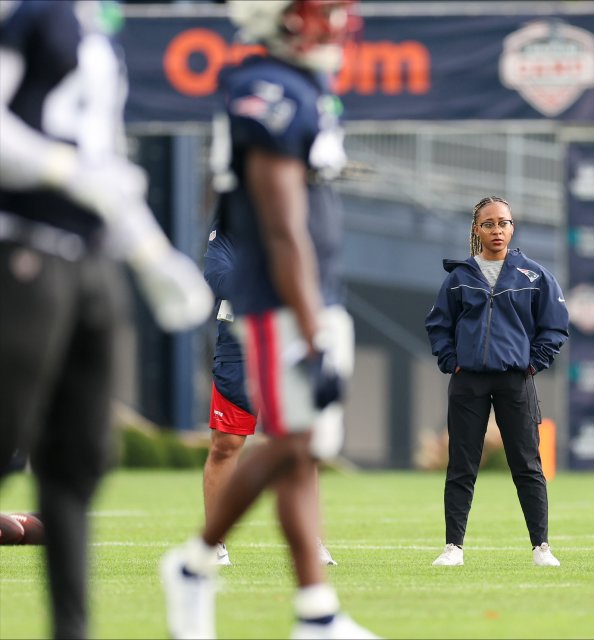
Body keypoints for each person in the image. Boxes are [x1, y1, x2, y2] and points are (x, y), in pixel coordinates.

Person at [160, 2, 375, 639]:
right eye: (318, 12)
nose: (335, 25)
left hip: (308, 292)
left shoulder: (304, 85)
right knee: (292, 443)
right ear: (280, 19)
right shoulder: (269, 88)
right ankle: (198, 563)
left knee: (300, 447)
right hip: (278, 299)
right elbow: (281, 227)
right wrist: (311, 327)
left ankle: (315, 610)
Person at [0, 1, 212, 638]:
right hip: (23, 247)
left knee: (78, 461)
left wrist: (153, 258)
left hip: (91, 263)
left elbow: (109, 173)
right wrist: (63, 171)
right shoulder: (30, 15)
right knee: (7, 439)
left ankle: (73, 630)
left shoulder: (102, 30)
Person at [424, 196, 569, 567]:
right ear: (477, 230)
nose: (496, 230)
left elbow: (554, 326)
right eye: (488, 224)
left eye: (503, 223)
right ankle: (453, 548)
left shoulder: (534, 277)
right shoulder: (459, 279)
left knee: (527, 465)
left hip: (515, 382)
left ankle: (542, 548)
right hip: (467, 382)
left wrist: (532, 364)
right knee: (461, 465)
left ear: (512, 227)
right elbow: (439, 325)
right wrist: (452, 362)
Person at [202, 217, 336, 568]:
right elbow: (218, 277)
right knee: (226, 444)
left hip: (290, 339)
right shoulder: (230, 224)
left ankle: (310, 538)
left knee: (302, 443)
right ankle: (213, 542)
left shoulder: (301, 222)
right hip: (239, 342)